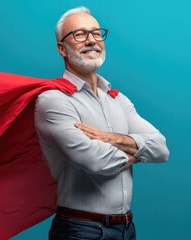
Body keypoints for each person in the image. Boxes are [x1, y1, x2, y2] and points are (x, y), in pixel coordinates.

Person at [34, 6, 169, 240]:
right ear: (61, 48)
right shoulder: (53, 100)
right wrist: (138, 152)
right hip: (80, 229)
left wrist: (111, 138)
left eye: (96, 33)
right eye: (79, 34)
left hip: (127, 228)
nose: (91, 40)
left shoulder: (118, 100)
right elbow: (96, 161)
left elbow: (161, 148)